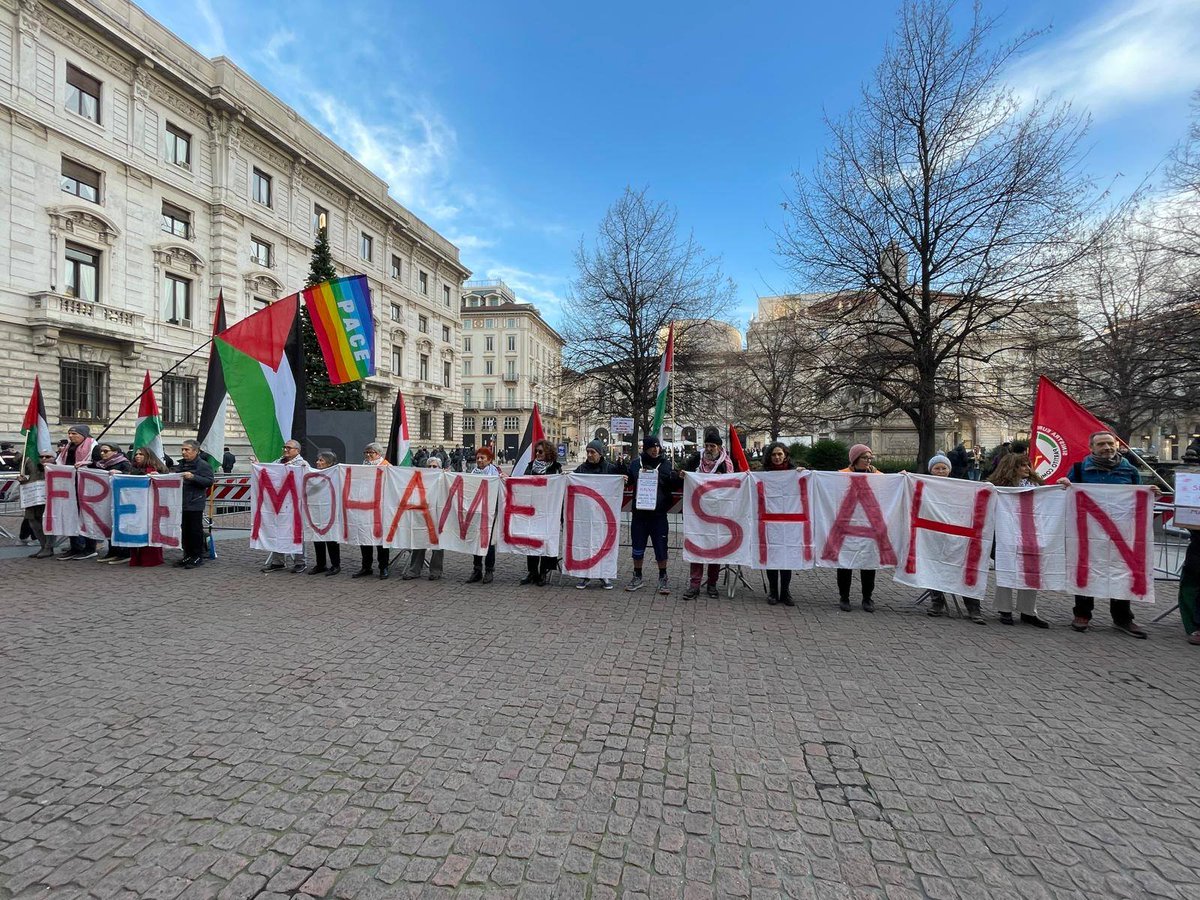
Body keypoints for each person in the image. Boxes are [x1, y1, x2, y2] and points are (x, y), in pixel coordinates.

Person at [1058, 430, 1152, 638]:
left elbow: (1138, 495)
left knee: (1121, 570)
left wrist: (1150, 493)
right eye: (1101, 444)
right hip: (1088, 533)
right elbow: (1066, 493)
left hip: (1120, 532)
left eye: (1110, 443)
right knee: (1085, 569)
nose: (1107, 448)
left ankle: (1122, 618)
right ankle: (1082, 614)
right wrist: (1065, 483)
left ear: (1117, 446)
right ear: (1091, 448)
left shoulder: (1129, 471)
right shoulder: (1080, 469)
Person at [986, 452, 1049, 628]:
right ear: (1012, 468)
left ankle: (1028, 611)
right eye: (1022, 465)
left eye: (1028, 465)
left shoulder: (1038, 485)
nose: (1027, 469)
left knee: (1031, 571)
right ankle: (1004, 609)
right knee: (1006, 569)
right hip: (1006, 533)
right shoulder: (997, 487)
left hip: (1032, 532)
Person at [922, 454, 986, 624]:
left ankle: (973, 607)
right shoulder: (925, 485)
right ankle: (937, 602)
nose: (941, 471)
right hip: (934, 535)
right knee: (933, 565)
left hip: (959, 535)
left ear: (949, 470)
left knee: (966, 568)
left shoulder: (960, 486)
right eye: (937, 468)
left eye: (944, 468)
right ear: (931, 470)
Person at [681, 428, 732, 600]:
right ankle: (694, 585)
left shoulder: (726, 463)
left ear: (719, 447)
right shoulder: (696, 458)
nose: (709, 449)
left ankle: (712, 584)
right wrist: (682, 475)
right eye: (707, 445)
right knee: (696, 546)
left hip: (718, 514)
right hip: (697, 512)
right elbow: (684, 473)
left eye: (712, 446)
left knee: (714, 549)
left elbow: (733, 483)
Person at [626, 435, 675, 595]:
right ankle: (637, 575)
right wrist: (624, 478)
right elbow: (628, 481)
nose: (655, 450)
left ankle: (663, 577)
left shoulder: (666, 465)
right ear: (645, 448)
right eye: (652, 447)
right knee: (637, 546)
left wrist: (679, 478)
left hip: (658, 515)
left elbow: (672, 483)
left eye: (657, 447)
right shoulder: (635, 464)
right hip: (639, 514)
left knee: (661, 547)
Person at [837, 444, 881, 612]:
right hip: (847, 526)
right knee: (845, 563)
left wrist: (902, 477)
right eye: (864, 458)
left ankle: (867, 598)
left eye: (870, 458)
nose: (868, 461)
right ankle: (844, 597)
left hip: (869, 527)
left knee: (868, 563)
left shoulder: (878, 476)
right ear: (855, 459)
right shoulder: (841, 475)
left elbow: (893, 488)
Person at [573, 440, 621, 590]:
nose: (589, 455)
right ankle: (585, 574)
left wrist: (623, 477)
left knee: (603, 542)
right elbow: (573, 482)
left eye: (592, 452)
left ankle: (604, 573)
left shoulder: (610, 468)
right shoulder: (581, 469)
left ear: (600, 454)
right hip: (586, 514)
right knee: (586, 542)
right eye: (588, 452)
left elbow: (621, 478)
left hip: (603, 515)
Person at [517, 440, 563, 586]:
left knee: (545, 541)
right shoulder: (530, 467)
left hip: (549, 511)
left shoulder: (556, 468)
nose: (537, 454)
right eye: (536, 451)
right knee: (531, 541)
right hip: (533, 510)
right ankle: (532, 572)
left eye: (540, 451)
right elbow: (522, 484)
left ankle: (543, 572)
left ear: (548, 452)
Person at [761, 441, 799, 607]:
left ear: (785, 456)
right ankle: (773, 591)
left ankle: (785, 592)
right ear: (769, 457)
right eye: (774, 454)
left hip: (789, 523)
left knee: (786, 557)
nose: (777, 457)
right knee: (773, 557)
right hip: (770, 522)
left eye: (780, 454)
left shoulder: (795, 473)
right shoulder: (763, 474)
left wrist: (803, 474)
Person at [262, 440, 309, 574]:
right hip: (278, 503)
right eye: (284, 447)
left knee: (297, 533)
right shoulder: (277, 462)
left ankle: (300, 562)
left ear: (297, 451)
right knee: (276, 530)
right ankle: (278, 561)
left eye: (289, 448)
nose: (285, 449)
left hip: (295, 504)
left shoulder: (302, 465)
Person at [55, 424, 101, 560]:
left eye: (74, 434)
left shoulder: (95, 448)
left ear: (83, 435)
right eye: (69, 434)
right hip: (70, 487)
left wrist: (87, 463)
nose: (70, 436)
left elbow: (100, 464)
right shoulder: (68, 448)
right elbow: (61, 463)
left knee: (87, 517)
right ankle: (75, 546)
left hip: (87, 488)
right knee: (71, 517)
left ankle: (90, 547)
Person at [353, 442, 392, 580]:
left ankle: (383, 567)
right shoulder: (362, 466)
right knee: (365, 537)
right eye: (366, 452)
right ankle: (366, 566)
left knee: (381, 540)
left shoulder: (387, 467)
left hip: (380, 509)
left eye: (371, 452)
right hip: (364, 507)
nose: (368, 455)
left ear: (379, 454)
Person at [405, 456, 445, 581]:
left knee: (438, 544)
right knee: (419, 540)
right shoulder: (421, 478)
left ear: (440, 468)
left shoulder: (445, 479)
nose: (432, 468)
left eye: (435, 466)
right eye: (429, 466)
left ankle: (436, 571)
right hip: (422, 514)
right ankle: (414, 570)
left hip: (438, 514)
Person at [175, 439, 213, 570]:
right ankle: (187, 555)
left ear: (195, 451)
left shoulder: (203, 465)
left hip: (195, 502)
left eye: (187, 450)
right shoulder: (180, 465)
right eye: (182, 449)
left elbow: (209, 481)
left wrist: (193, 477)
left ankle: (197, 556)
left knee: (195, 531)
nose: (184, 452)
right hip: (181, 502)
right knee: (185, 530)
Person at [466, 446, 501, 584]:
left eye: (482, 458)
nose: (479, 460)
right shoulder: (472, 472)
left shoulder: (496, 473)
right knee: (476, 540)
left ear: (490, 460)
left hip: (491, 512)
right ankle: (477, 569)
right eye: (478, 458)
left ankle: (489, 570)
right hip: (476, 512)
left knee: (489, 542)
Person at [128, 447, 167, 568]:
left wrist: (158, 477)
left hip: (151, 506)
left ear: (148, 456)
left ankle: (151, 559)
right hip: (136, 506)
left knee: (150, 531)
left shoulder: (158, 470)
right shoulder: (132, 469)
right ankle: (136, 558)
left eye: (141, 454)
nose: (137, 456)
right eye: (136, 454)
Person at [95, 442, 133, 564]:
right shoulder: (101, 465)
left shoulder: (124, 463)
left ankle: (124, 553)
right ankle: (112, 551)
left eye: (106, 451)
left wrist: (121, 474)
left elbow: (132, 477)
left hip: (122, 500)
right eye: (101, 451)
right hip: (106, 499)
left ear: (115, 452)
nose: (102, 454)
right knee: (108, 524)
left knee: (121, 525)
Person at [308, 450, 342, 577]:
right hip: (316, 509)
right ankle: (320, 564)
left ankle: (336, 564)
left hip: (331, 510)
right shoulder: (313, 473)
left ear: (329, 463)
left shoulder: (336, 473)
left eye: (321, 460)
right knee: (317, 537)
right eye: (318, 460)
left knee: (331, 538)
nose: (318, 462)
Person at [17, 448, 55, 558]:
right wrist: (23, 480)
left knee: (47, 524)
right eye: (41, 457)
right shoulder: (34, 466)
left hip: (48, 501)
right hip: (33, 500)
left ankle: (49, 547)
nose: (44, 459)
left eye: (47, 457)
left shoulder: (58, 468)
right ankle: (43, 546)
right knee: (33, 523)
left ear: (54, 458)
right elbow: (28, 479)